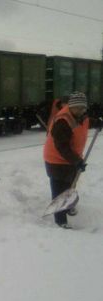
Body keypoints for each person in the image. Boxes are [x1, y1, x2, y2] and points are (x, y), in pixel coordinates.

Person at [43, 91, 89, 228]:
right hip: (56, 160)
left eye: (82, 108)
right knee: (59, 191)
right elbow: (62, 147)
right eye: (77, 108)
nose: (80, 110)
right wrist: (77, 161)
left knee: (70, 184)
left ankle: (68, 206)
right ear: (71, 106)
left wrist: (98, 123)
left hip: (71, 159)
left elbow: (86, 122)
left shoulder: (81, 116)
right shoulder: (63, 121)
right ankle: (60, 220)